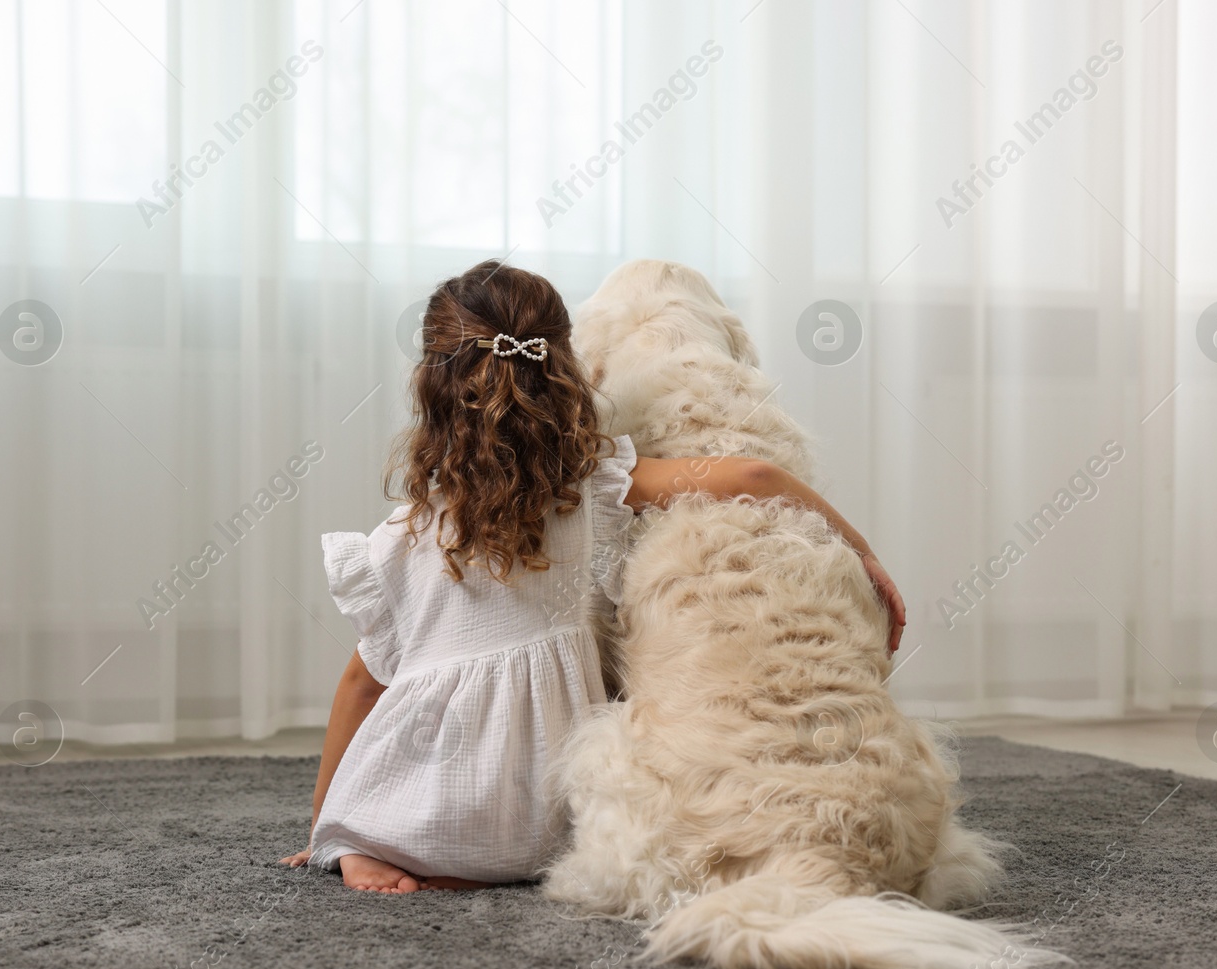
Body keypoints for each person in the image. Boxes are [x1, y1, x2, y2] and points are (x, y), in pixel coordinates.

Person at [278, 260, 905, 893]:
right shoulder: (601, 487)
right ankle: (475, 860)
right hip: (547, 817)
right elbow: (755, 478)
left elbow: (361, 687)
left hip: (433, 806)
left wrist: (323, 824)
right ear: (566, 372)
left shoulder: (405, 537)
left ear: (432, 388)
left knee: (373, 809)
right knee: (586, 786)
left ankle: (376, 844)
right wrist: (864, 552)